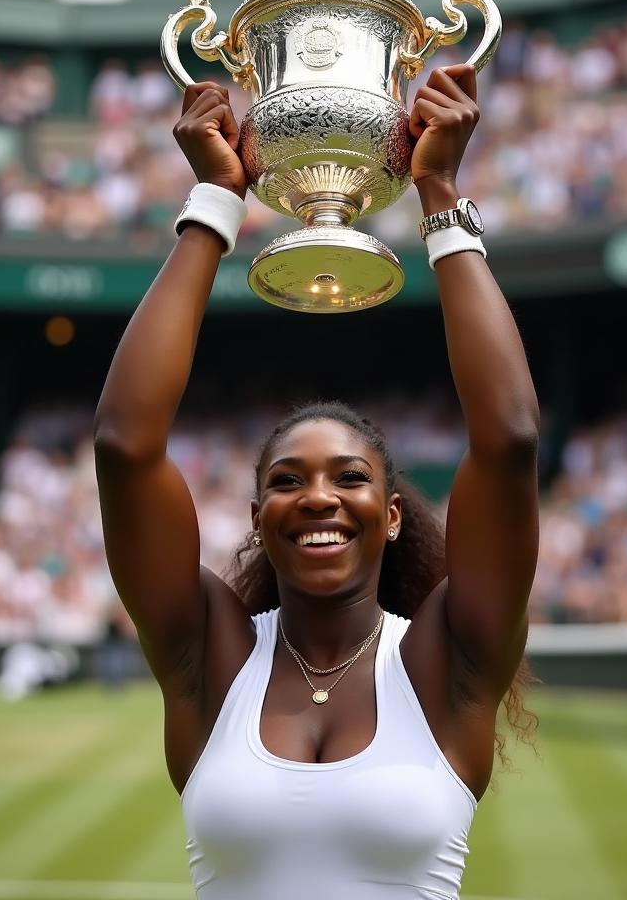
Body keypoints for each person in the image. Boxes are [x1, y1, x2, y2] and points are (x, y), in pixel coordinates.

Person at [94, 65, 540, 899]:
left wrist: (439, 192)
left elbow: (509, 438)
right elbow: (124, 446)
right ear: (259, 517)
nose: (321, 498)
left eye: (351, 477)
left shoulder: (449, 657)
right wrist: (217, 202)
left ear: (394, 514)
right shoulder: (211, 653)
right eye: (289, 482)